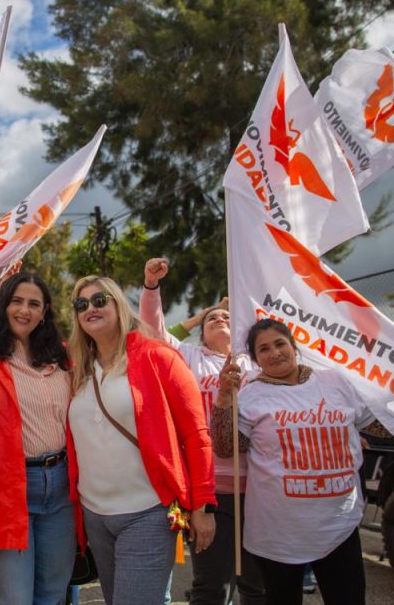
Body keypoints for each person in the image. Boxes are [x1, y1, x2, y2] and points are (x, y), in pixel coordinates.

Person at [210, 318, 394, 605]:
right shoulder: (250, 395)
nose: (275, 353)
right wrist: (223, 397)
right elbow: (224, 447)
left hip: (337, 526)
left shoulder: (335, 382)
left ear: (294, 346)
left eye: (280, 343)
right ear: (256, 359)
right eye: (264, 349)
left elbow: (382, 425)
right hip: (279, 534)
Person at [65, 275, 215, 605]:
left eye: (99, 300)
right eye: (81, 304)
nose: (90, 308)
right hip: (94, 517)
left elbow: (197, 434)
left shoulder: (158, 357)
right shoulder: (75, 370)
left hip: (148, 514)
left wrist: (203, 506)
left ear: (118, 304)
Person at [140, 258, 264, 605]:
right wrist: (151, 287)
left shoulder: (258, 362)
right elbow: (153, 330)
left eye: (226, 317)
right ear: (202, 333)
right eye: (212, 319)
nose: (219, 320)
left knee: (256, 585)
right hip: (208, 489)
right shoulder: (190, 358)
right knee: (211, 585)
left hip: (258, 487)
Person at [0, 272, 75, 605]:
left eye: (34, 304)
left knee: (52, 594)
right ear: (2, 305)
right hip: (8, 487)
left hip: (61, 487)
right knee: (13, 598)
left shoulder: (63, 356)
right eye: (16, 301)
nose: (24, 310)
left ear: (45, 312)